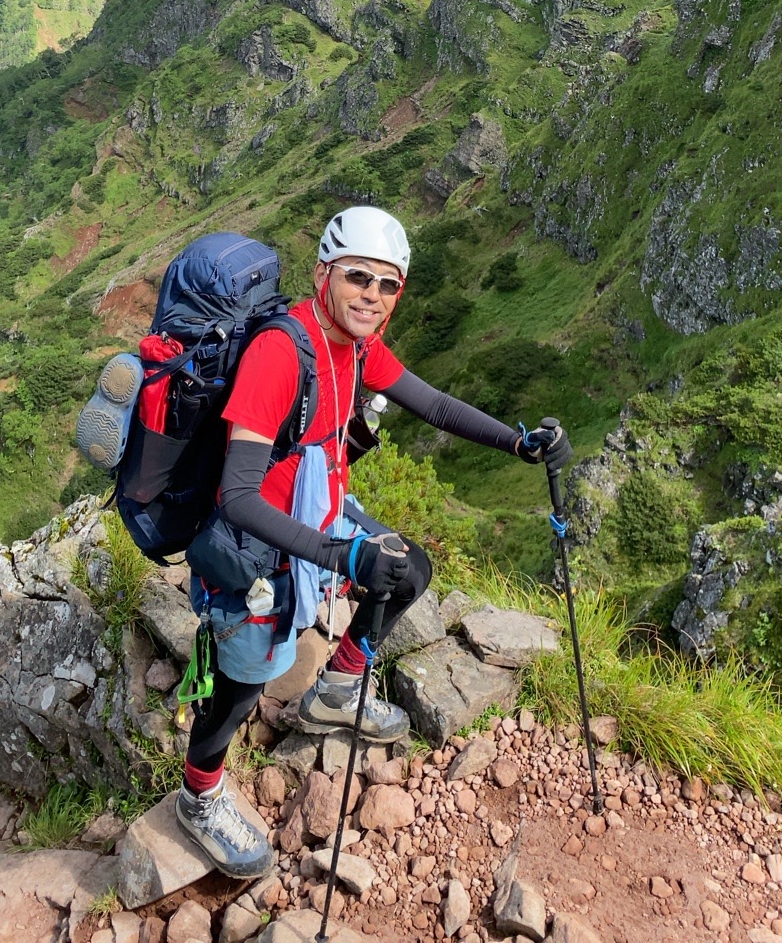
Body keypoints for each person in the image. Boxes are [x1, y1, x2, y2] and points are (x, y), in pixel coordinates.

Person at [173, 205, 573, 877]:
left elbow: (434, 404)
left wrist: (517, 441)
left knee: (407, 567)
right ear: (323, 272)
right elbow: (239, 496)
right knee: (240, 692)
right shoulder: (280, 352)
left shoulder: (357, 345)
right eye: (359, 277)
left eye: (389, 286)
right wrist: (340, 556)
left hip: (319, 514)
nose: (373, 296)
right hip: (255, 549)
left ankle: (336, 689)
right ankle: (198, 795)